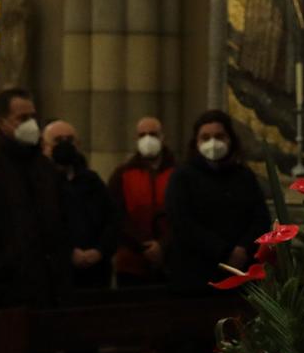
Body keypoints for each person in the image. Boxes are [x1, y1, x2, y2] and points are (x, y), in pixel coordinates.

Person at [0, 87, 70, 309]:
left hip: (47, 284)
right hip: (5, 289)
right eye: (23, 118)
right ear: (2, 122)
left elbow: (60, 217)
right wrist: (2, 266)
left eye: (33, 117)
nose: (31, 124)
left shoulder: (44, 167)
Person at [163, 110, 270, 294]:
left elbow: (260, 217)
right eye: (205, 137)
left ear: (230, 139)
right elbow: (182, 222)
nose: (213, 142)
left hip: (242, 270)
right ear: (196, 143)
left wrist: (242, 248)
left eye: (219, 136)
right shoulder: (183, 176)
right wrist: (224, 252)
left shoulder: (243, 175)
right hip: (197, 274)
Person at [42, 119, 116, 291]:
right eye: (58, 141)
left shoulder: (91, 180)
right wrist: (68, 252)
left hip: (96, 271)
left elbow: (112, 218)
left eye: (69, 140)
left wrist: (100, 250)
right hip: (56, 273)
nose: (65, 145)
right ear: (44, 146)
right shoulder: (41, 183)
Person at [110, 116, 175, 287]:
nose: (148, 139)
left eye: (153, 134)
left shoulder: (178, 173)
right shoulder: (122, 174)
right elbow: (116, 215)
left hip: (171, 259)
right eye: (142, 135)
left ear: (163, 138)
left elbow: (183, 215)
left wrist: (163, 245)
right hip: (131, 261)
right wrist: (142, 246)